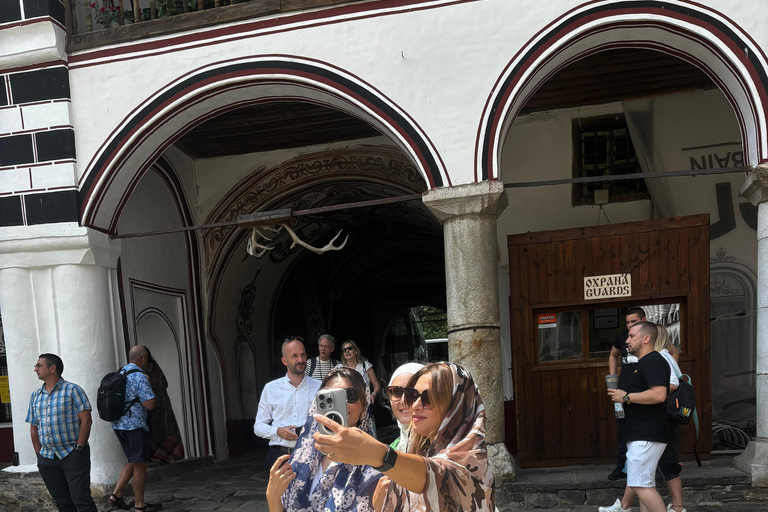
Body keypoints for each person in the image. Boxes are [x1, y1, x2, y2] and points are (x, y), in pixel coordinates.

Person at [300, 362, 495, 512]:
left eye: (428, 397)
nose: (415, 405)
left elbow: (437, 476)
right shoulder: (412, 451)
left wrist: (376, 454)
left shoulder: (472, 463)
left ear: (458, 404)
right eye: (412, 395)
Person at [266, 366, 382, 512]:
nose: (342, 403)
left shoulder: (374, 463)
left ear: (364, 405)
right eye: (330, 397)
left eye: (350, 395)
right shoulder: (300, 460)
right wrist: (273, 498)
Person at [600, 324, 686, 512]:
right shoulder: (645, 362)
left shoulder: (653, 361)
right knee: (644, 485)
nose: (627, 341)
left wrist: (626, 396)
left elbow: (659, 395)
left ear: (646, 339)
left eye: (631, 336)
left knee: (640, 486)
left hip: (646, 434)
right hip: (643, 434)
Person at [26, 353, 98, 512]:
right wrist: (39, 454)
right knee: (63, 503)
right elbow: (33, 426)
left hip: (72, 455)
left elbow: (86, 420)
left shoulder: (73, 390)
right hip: (47, 458)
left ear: (52, 368)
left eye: (39, 366)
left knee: (81, 499)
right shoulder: (35, 396)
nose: (35, 369)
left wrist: (79, 447)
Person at [109, 346, 162, 512]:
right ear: (143, 359)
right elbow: (150, 404)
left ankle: (116, 494)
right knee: (140, 464)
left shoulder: (119, 373)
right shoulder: (139, 376)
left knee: (132, 460)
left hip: (118, 425)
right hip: (134, 425)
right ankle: (140, 505)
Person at [255, 337, 321, 469]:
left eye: (303, 355)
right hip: (280, 457)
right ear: (284, 361)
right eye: (294, 356)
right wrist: (278, 431)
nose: (301, 360)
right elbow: (258, 427)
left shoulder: (320, 387)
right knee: (280, 491)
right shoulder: (271, 388)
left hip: (312, 455)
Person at [143, 347, 184, 464]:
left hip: (152, 404)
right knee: (168, 429)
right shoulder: (156, 368)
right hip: (164, 403)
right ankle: (170, 456)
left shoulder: (144, 370)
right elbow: (165, 383)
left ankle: (157, 456)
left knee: (154, 431)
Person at [385, 362, 423, 451]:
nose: (404, 401)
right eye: (397, 392)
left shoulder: (441, 449)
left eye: (413, 393)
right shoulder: (393, 448)